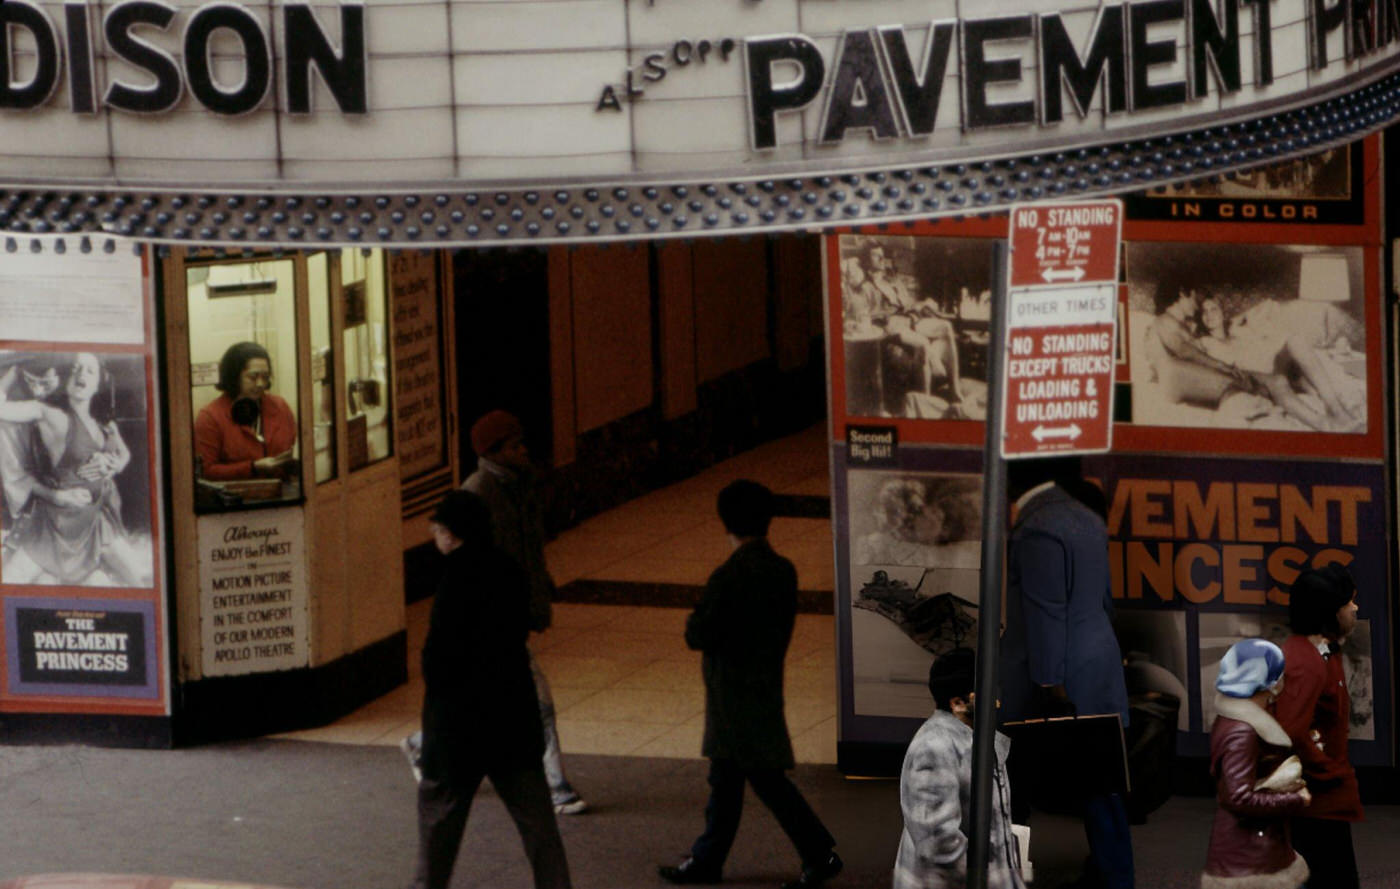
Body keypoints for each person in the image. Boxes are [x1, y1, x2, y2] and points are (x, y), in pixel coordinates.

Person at [660, 480, 842, 889]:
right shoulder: (783, 570)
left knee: (758, 780)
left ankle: (817, 854)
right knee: (732, 781)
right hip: (764, 684)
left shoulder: (729, 575)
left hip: (731, 694)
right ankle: (708, 860)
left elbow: (698, 633)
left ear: (726, 522)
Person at [410, 490, 572, 889]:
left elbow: (438, 659)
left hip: (458, 731)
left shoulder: (453, 579)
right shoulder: (508, 568)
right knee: (538, 829)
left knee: (439, 833)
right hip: (511, 719)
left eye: (437, 527)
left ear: (450, 533)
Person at [999, 456, 1134, 889]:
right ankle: (1115, 875)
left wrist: (1047, 684)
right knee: (1103, 789)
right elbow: (1104, 599)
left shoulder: (1038, 527)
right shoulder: (1084, 517)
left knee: (1013, 786)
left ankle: (1010, 875)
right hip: (1096, 667)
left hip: (1055, 680)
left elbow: (1046, 612)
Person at [0, 353, 148, 587]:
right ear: (67, 379)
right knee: (9, 584)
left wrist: (114, 466)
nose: (81, 374)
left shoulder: (105, 426)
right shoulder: (49, 414)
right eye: (76, 368)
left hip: (98, 522)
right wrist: (15, 371)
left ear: (99, 382)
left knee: (139, 585)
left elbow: (124, 454)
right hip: (57, 525)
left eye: (90, 371)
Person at [894, 647, 1024, 889]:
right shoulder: (934, 748)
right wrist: (990, 879)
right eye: (987, 693)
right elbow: (938, 844)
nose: (997, 701)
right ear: (958, 703)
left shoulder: (978, 736)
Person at [1273, 564, 1363, 889]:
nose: (1354, 608)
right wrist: (1326, 772)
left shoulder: (1323, 650)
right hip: (1315, 807)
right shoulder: (1306, 660)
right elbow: (1291, 729)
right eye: (1348, 602)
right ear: (1329, 611)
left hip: (1323, 802)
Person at [1202, 638, 1311, 889]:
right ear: (1269, 682)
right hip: (1249, 854)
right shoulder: (1243, 731)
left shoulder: (1240, 721)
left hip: (1257, 848)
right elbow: (1238, 797)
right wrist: (1296, 799)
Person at [194, 341, 296, 481]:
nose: (260, 384)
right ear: (234, 376)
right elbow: (206, 471)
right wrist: (252, 467)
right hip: (235, 497)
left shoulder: (280, 406)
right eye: (253, 377)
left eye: (265, 377)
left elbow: (293, 448)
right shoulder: (210, 416)